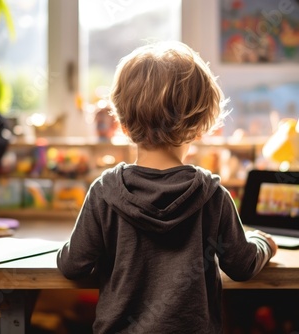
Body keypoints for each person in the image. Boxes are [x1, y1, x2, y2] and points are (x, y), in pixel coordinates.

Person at [56, 41, 277, 334]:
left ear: (122, 124)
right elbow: (242, 265)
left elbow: (73, 265)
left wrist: (70, 249)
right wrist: (264, 244)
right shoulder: (213, 196)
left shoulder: (104, 193)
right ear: (201, 126)